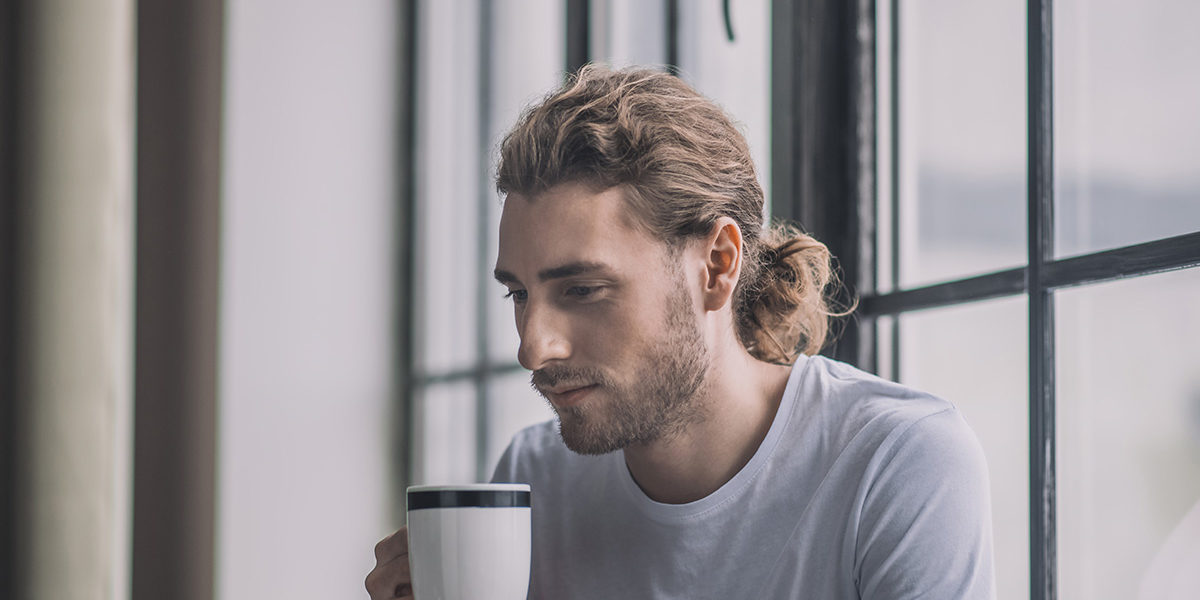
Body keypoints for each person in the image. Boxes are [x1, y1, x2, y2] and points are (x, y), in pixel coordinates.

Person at [366, 65, 995, 599]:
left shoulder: (900, 465)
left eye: (582, 290)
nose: (533, 347)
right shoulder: (535, 479)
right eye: (519, 294)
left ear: (718, 266)